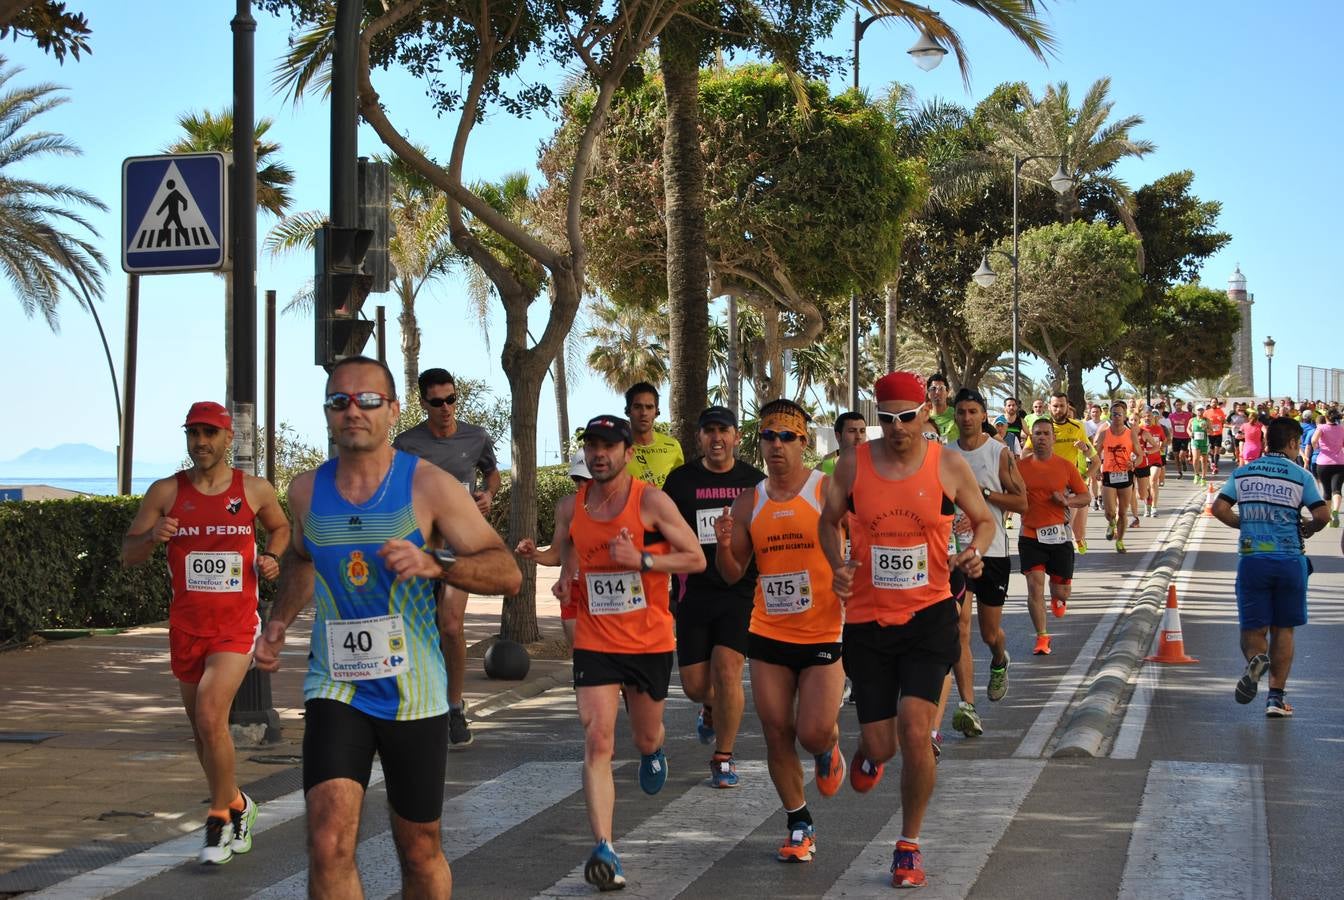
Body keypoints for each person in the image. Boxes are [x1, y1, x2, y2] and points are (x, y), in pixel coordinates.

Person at [252, 356, 522, 897]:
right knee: (328, 842)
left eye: (369, 400)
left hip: (414, 693)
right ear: (328, 413)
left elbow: (508, 573)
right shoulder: (306, 491)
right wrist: (279, 621)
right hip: (336, 685)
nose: (354, 410)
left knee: (419, 847)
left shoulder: (430, 486)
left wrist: (437, 563)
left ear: (394, 411)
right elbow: (304, 559)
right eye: (340, 401)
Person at [819, 371, 995, 889]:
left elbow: (983, 520)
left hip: (928, 616)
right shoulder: (853, 464)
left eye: (907, 417)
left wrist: (975, 553)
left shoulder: (949, 465)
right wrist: (837, 565)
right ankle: (869, 756)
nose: (897, 428)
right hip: (868, 623)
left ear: (926, 412)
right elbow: (828, 522)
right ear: (878, 418)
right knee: (883, 745)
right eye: (887, 419)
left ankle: (909, 844)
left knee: (916, 732)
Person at [121, 401, 290, 865]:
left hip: (235, 626)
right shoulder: (166, 492)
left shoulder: (253, 490)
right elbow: (128, 554)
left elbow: (280, 529)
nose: (201, 442)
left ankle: (217, 818)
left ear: (226, 439)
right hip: (187, 626)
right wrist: (152, 536)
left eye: (210, 433)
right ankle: (238, 802)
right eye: (194, 433)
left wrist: (272, 557)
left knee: (213, 716)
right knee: (202, 728)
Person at [546, 414, 706, 890]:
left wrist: (643, 560)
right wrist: (552, 564)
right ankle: (605, 849)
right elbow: (566, 551)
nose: (599, 453)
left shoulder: (650, 501)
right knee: (597, 739)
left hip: (649, 641)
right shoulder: (574, 505)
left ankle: (654, 751)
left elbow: (696, 557)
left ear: (627, 453)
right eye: (592, 445)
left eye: (608, 445)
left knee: (645, 736)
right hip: (596, 640)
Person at [715, 399, 846, 863]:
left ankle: (828, 747)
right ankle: (798, 822)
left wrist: (852, 575)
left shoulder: (826, 490)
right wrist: (724, 544)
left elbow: (862, 540)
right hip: (768, 631)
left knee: (811, 732)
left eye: (786, 437)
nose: (776, 445)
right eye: (768, 437)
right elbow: (733, 573)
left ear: (803, 441)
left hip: (823, 632)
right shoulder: (750, 500)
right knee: (775, 731)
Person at [393, 367, 503, 748]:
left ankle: (455, 707)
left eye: (451, 399)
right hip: (419, 546)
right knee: (417, 628)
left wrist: (488, 495)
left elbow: (492, 475)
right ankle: (421, 700)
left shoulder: (475, 437)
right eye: (437, 402)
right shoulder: (406, 444)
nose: (446, 408)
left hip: (461, 544)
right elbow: (390, 486)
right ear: (423, 403)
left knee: (452, 625)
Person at [661, 406, 765, 787]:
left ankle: (723, 756)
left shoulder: (755, 482)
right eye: (709, 432)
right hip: (693, 592)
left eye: (724, 430)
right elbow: (661, 530)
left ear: (737, 437)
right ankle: (709, 706)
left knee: (728, 670)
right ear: (699, 438)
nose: (716, 438)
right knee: (693, 686)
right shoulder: (680, 482)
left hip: (740, 590)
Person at [1211, 417, 1330, 717]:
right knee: (1284, 628)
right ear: (1292, 443)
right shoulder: (1300, 475)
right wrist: (1309, 528)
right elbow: (1323, 514)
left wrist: (1244, 524)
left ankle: (1256, 658)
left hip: (1253, 560)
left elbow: (1219, 508)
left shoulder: (1243, 473)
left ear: (1266, 443)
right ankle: (1275, 698)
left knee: (1253, 628)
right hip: (1290, 560)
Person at [948, 388, 1027, 713]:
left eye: (972, 412)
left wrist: (983, 494)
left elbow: (1022, 503)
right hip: (955, 555)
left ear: (983, 415)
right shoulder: (945, 455)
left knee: (989, 633)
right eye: (961, 412)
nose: (966, 418)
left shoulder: (999, 453)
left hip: (992, 552)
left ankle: (999, 659)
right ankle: (967, 705)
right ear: (955, 416)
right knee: (959, 628)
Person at [1017, 419, 1091, 655]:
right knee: (1034, 587)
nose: (1041, 437)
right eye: (1037, 433)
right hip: (1030, 535)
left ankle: (1058, 596)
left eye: (1046, 433)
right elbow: (1009, 494)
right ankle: (1042, 637)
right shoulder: (1020, 467)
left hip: (1059, 536)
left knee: (1061, 592)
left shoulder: (1066, 466)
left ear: (1053, 438)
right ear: (1032, 438)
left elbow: (1085, 496)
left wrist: (1066, 501)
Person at [514, 450, 590, 646]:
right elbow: (556, 556)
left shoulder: (621, 504)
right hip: (573, 590)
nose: (581, 484)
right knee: (580, 659)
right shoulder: (566, 506)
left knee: (610, 662)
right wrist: (534, 553)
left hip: (610, 590)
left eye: (587, 479)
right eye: (577, 478)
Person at [1098, 401, 1142, 553]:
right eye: (1114, 414)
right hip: (1109, 475)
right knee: (1109, 511)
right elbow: (1096, 453)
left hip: (1125, 475)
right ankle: (1111, 523)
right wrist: (1097, 469)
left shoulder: (1130, 434)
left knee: (1123, 512)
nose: (1116, 417)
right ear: (1110, 415)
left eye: (1119, 414)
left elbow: (1140, 455)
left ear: (1124, 417)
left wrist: (1134, 463)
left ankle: (1120, 541)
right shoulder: (1104, 433)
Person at [624, 381, 684, 487]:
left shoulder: (673, 446)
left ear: (656, 412)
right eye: (638, 407)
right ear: (628, 411)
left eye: (649, 407)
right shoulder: (616, 448)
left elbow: (680, 487)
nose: (644, 413)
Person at [1309, 408, 1344, 527]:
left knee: (1327, 491)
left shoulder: (1321, 427)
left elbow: (1313, 440)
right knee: (1337, 489)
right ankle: (1336, 511)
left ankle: (1328, 517)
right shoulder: (1342, 428)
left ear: (1327, 417)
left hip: (1323, 462)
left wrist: (1317, 447)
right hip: (1339, 462)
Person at [820, 410, 867, 475]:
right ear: (838, 436)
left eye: (862, 431)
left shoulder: (877, 465)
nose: (859, 437)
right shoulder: (824, 469)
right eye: (852, 431)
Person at [925, 373, 958, 442]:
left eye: (941, 388)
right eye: (933, 389)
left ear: (947, 392)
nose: (937, 392)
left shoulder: (958, 415)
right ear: (928, 393)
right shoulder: (924, 418)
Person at [1168, 398, 1194, 478]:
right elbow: (1168, 426)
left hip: (1185, 437)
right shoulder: (1171, 416)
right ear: (1174, 406)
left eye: (1179, 405)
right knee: (1176, 456)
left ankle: (1183, 462)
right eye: (1176, 405)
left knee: (1181, 455)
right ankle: (1179, 472)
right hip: (1175, 438)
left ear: (1182, 405)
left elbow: (1195, 419)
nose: (1178, 406)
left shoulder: (1188, 414)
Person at [1190, 405, 1211, 485]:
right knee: (1195, 459)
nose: (1200, 411)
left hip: (1204, 442)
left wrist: (1206, 428)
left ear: (1204, 411)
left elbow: (1211, 431)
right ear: (1196, 411)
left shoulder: (1207, 420)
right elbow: (1188, 428)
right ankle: (1196, 475)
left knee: (1204, 461)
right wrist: (1189, 433)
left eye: (1202, 410)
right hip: (1195, 442)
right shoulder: (1192, 420)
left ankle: (1203, 478)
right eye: (1198, 410)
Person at [1206, 398, 1228, 475]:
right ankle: (1212, 461)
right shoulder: (1207, 412)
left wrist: (1222, 420)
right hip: (1210, 434)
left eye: (1215, 402)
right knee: (1211, 450)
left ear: (1217, 403)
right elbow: (1203, 422)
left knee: (1217, 450)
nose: (1214, 403)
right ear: (1210, 403)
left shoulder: (1220, 411)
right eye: (1213, 402)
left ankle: (1215, 465)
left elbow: (1225, 421)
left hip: (1218, 433)